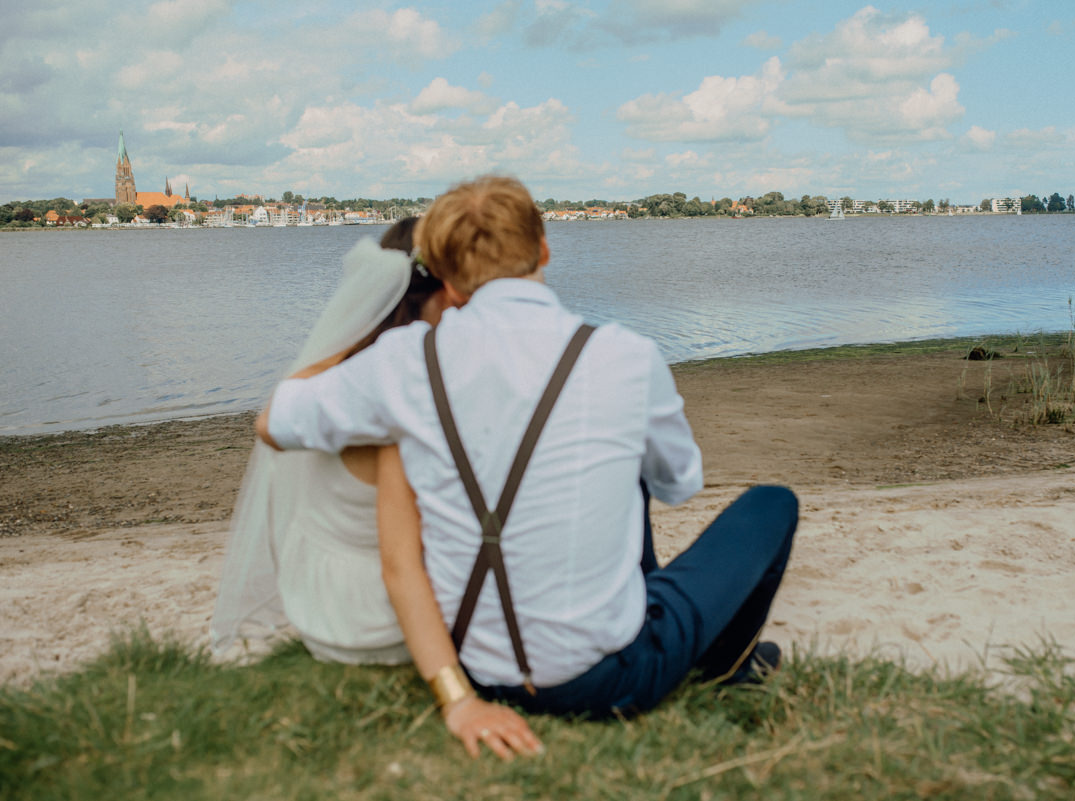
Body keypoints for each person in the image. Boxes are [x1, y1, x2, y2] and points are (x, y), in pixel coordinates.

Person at [256, 175, 798, 758]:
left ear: (447, 274)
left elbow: (273, 421)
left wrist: (364, 317)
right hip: (609, 679)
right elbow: (679, 482)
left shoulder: (406, 361)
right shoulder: (624, 354)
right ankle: (719, 667)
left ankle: (691, 647)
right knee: (772, 504)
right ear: (544, 249)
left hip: (478, 667)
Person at [211, 218, 447, 664]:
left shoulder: (333, 383)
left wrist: (357, 332)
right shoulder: (406, 377)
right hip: (386, 617)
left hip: (321, 607)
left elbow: (271, 419)